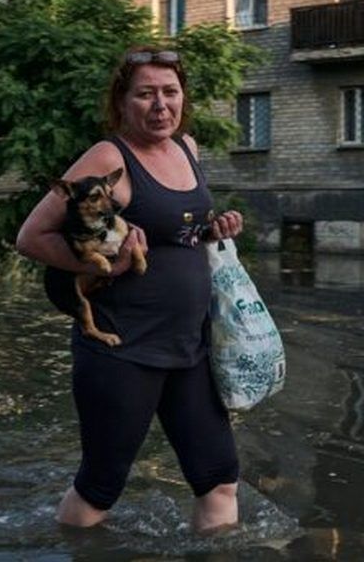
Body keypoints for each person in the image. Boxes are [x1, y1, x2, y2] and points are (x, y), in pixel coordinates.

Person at [15, 46, 245, 534]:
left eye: (170, 92)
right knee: (100, 488)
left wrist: (213, 230)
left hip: (190, 348)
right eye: (145, 94)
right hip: (125, 349)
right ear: (122, 102)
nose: (160, 105)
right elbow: (32, 237)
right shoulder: (108, 157)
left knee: (219, 481)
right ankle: (71, 546)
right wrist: (112, 265)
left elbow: (176, 232)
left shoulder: (188, 148)